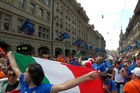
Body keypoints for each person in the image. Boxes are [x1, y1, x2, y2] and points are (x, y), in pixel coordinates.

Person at [7, 51, 99, 93]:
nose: (23, 73)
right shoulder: (24, 82)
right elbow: (16, 69)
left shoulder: (44, 89)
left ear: (32, 76)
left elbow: (65, 85)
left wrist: (87, 77)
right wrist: (10, 55)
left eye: (26, 72)